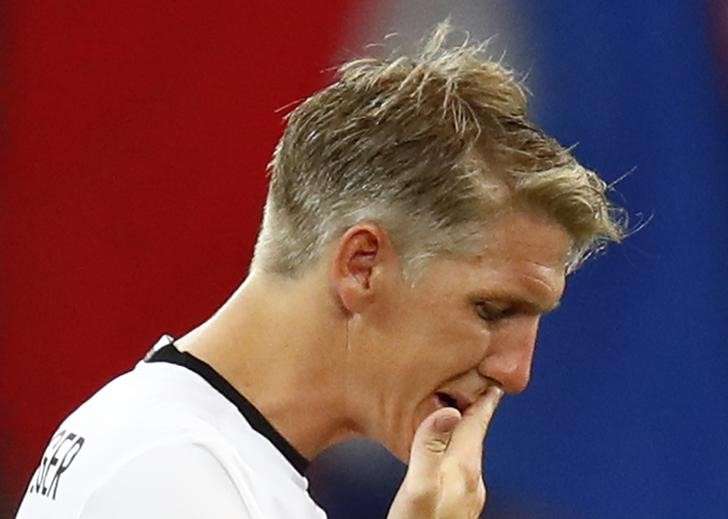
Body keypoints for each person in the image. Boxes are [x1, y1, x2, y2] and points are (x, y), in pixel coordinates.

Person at [16, 22, 624, 518]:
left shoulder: (213, 460)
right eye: (492, 309)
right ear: (362, 266)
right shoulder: (173, 472)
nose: (515, 372)